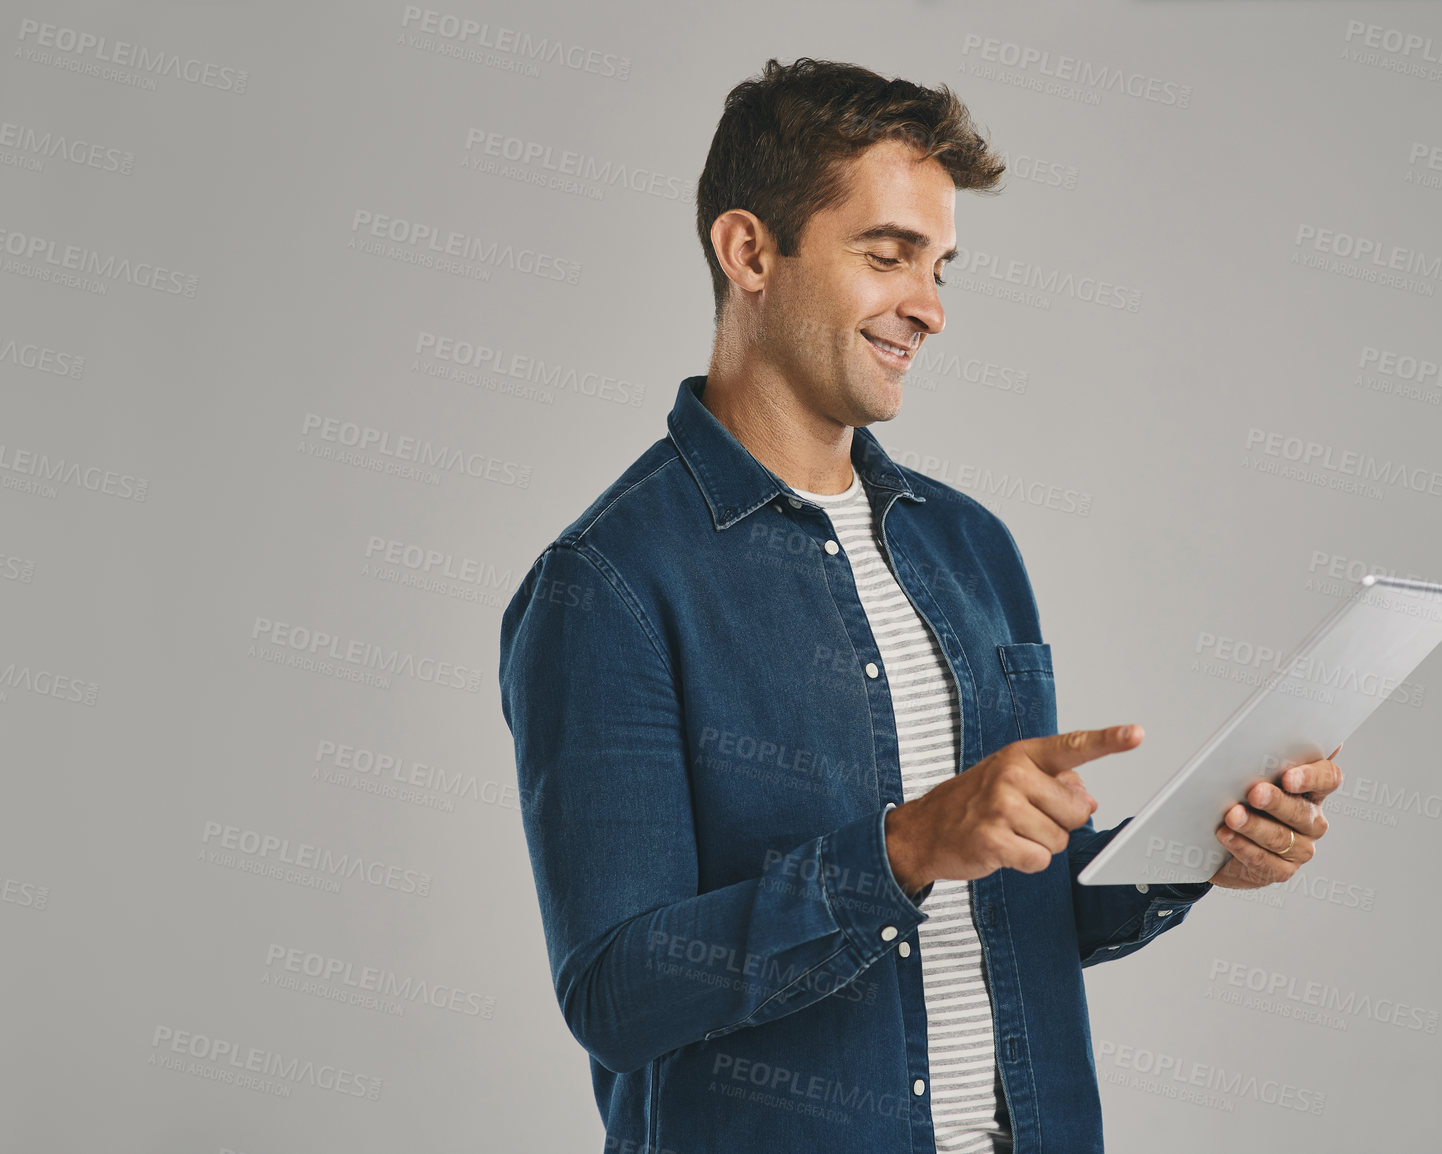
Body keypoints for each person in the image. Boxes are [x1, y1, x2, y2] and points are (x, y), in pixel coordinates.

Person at [497, 56, 1341, 1154]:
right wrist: (899, 849)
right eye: (888, 256)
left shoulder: (970, 546)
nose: (930, 308)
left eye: (940, 266)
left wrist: (1196, 847)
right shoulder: (607, 585)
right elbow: (615, 991)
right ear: (750, 252)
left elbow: (1009, 905)